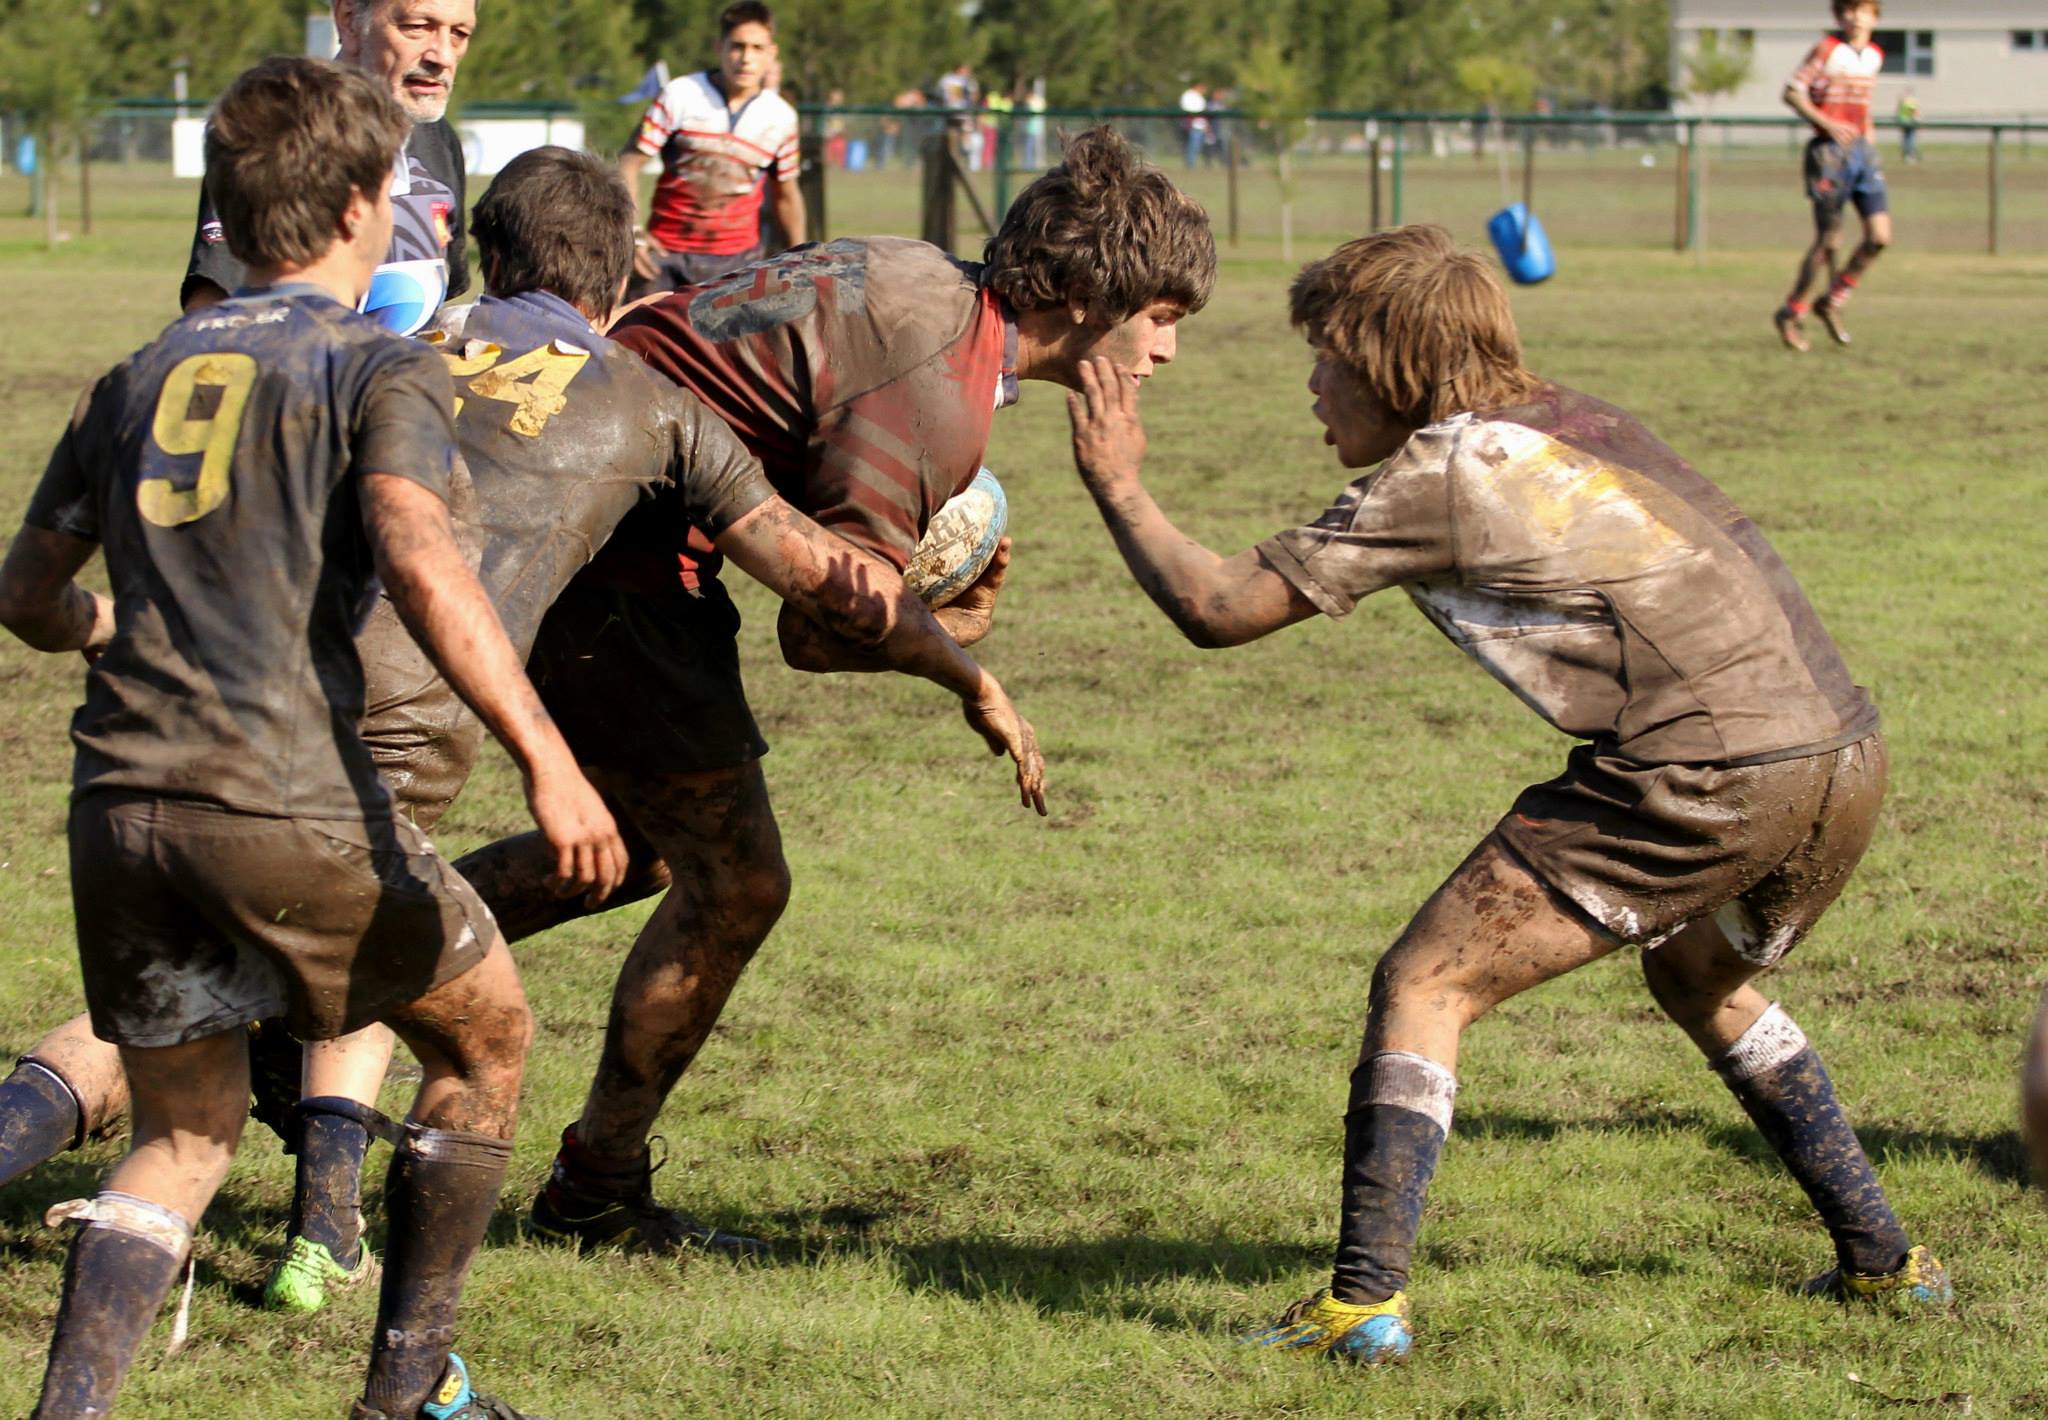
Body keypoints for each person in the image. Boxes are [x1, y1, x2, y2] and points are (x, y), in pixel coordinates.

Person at [0, 146, 1045, 1318]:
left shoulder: (382, 355)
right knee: (432, 1013)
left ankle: (332, 1212)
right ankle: (417, 1340)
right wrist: (962, 664)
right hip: (370, 731)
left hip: (200, 702)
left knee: (218, 984)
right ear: (622, 272)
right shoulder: (651, 403)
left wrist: (113, 626)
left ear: (483, 256)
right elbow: (816, 580)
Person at [1064, 224, 1950, 1365]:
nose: (1313, 384)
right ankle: (1885, 1263)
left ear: (1388, 365)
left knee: (1424, 981)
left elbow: (1218, 608)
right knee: (1698, 975)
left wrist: (1116, 481)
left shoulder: (1451, 466)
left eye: (1326, 357)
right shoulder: (1571, 420)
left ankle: (1361, 1306)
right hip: (1841, 756)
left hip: (1708, 769)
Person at [411, 127, 1207, 1259]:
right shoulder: (938, 391)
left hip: (584, 495)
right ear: (1086, 295)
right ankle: (580, 1173)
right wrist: (962, 651)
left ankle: (349, 959)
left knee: (638, 848)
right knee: (738, 883)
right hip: (615, 552)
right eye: (1161, 317)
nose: (1166, 351)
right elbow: (820, 628)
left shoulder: (919, 271)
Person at [0, 59, 630, 1420]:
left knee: (182, 1135)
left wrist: (108, 624)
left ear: (226, 212)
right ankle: (401, 1395)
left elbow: (27, 595)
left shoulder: (133, 376)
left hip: (118, 809)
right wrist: (547, 756)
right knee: (488, 1039)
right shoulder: (377, 365)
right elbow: (420, 554)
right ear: (362, 208)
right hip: (283, 797)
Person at [183, 0, 474, 332]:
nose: (443, 56)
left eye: (459, 34)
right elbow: (212, 318)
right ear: (349, 19)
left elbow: (428, 309)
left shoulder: (440, 143)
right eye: (417, 27)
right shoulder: (282, 129)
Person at [619, 0, 804, 302]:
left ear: (772, 53)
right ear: (719, 47)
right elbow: (628, 163)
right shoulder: (680, 95)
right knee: (639, 332)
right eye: (737, 46)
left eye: (757, 48)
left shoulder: (781, 117)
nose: (746, 58)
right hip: (664, 257)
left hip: (739, 264)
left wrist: (802, 259)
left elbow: (786, 196)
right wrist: (632, 234)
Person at [1774, 0, 1890, 352]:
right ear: (1839, 16)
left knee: (1879, 237)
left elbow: (1862, 106)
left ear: (1874, 17)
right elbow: (1792, 92)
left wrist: (1869, 142)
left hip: (1861, 153)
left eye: (1863, 10)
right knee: (1829, 241)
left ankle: (1831, 301)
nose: (1855, 17)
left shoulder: (1874, 56)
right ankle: (1792, 311)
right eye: (1849, 10)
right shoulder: (1827, 50)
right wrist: (1827, 123)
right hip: (1828, 154)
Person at [1179, 81, 1210, 171]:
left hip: (1200, 125)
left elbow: (1203, 112)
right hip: (1192, 125)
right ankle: (1190, 165)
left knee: (1198, 146)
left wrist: (1205, 125)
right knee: (1192, 146)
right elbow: (1188, 110)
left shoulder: (1199, 96)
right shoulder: (1188, 95)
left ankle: (1200, 164)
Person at [1896, 90, 1921, 163]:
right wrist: (1917, 121)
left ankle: (1906, 154)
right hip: (1910, 122)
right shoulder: (1910, 101)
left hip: (1903, 121)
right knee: (1910, 139)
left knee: (1906, 139)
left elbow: (1898, 112)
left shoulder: (1902, 102)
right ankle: (1910, 155)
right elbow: (1913, 111)